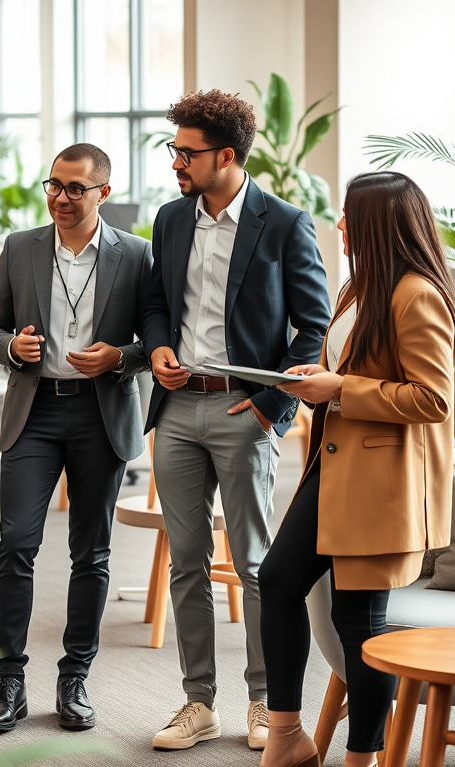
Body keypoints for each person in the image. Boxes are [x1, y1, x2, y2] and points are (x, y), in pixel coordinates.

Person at [141, 90, 332, 752]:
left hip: (243, 409)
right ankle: (199, 703)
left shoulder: (283, 223)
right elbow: (157, 304)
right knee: (186, 564)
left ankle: (263, 701)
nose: (176, 163)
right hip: (178, 408)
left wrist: (271, 406)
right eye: (174, 151)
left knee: (253, 564)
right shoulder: (170, 220)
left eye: (186, 153)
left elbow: (315, 325)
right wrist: (160, 346)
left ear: (226, 155)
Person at [259, 171, 455, 767]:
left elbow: (433, 398)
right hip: (334, 470)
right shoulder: (358, 287)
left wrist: (341, 388)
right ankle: (288, 734)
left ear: (377, 223)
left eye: (347, 213)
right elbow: (347, 367)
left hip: (381, 487)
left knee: (360, 625)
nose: (338, 223)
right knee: (277, 581)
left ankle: (362, 758)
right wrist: (315, 382)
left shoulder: (415, 293)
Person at [0, 143, 152, 734]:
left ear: (103, 191)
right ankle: (10, 679)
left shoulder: (137, 256)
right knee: (16, 543)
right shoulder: (20, 247)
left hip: (100, 417)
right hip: (36, 413)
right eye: (53, 185)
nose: (60, 197)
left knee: (91, 553)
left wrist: (120, 356)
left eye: (75, 188)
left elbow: (155, 342)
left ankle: (75, 676)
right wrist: (10, 347)